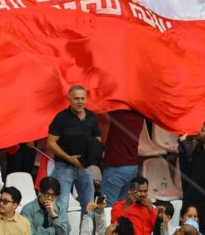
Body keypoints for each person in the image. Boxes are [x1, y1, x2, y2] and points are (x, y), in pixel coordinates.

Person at [47, 85, 101, 215]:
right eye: (76, 98)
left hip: (85, 167)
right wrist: (68, 157)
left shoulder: (92, 116)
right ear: (69, 99)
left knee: (89, 207)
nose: (80, 101)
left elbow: (97, 139)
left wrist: (92, 155)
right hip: (64, 166)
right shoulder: (61, 117)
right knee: (61, 206)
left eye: (83, 98)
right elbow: (50, 142)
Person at [100, 111, 145, 206]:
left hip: (115, 167)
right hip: (133, 168)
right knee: (126, 205)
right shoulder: (140, 115)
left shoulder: (118, 112)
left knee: (106, 206)